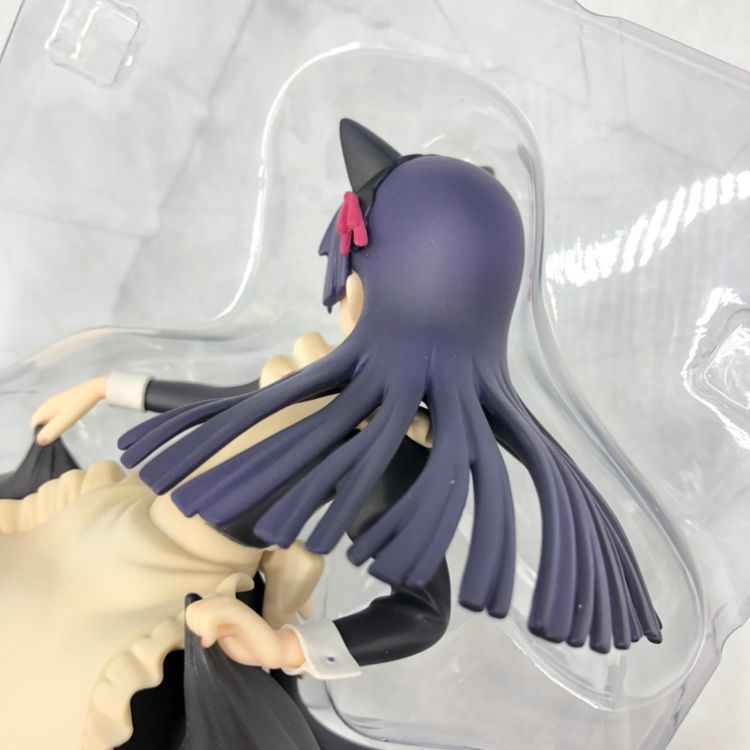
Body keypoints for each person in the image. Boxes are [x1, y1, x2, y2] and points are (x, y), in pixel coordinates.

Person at [0, 119, 661, 750]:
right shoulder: (307, 376)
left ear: (361, 286)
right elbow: (225, 408)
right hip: (112, 527)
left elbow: (422, 610)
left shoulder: (380, 446)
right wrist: (106, 386)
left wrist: (289, 647)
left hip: (161, 592)